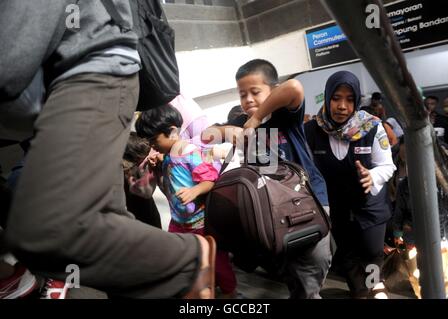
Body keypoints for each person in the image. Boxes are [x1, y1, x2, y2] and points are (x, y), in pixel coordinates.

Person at [1, 0, 215, 299]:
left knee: (45, 229)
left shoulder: (186, 142)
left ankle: (187, 262)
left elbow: (10, 60)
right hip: (72, 89)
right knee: (103, 227)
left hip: (90, 73)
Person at [203, 59, 332, 299]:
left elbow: (294, 87)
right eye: (243, 94)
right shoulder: (242, 124)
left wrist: (258, 117)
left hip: (309, 202)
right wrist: (229, 132)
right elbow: (206, 134)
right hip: (274, 210)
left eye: (255, 92)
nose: (248, 99)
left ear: (273, 89)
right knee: (294, 271)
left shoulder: (286, 116)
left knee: (313, 263)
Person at [304, 71, 396, 299]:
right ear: (327, 98)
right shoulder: (311, 131)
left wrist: (371, 177)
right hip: (337, 206)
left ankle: (374, 285)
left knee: (372, 251)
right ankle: (359, 291)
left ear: (356, 101)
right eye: (336, 98)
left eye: (349, 99)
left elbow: (387, 166)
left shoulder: (372, 128)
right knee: (346, 251)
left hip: (370, 205)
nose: (342, 106)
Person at [135, 105, 238, 298]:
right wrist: (157, 165)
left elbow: (209, 180)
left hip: (200, 223)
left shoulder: (190, 152)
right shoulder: (168, 155)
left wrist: (194, 190)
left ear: (172, 131)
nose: (152, 146)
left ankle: (230, 292)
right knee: (178, 258)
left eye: (154, 140)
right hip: (179, 222)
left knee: (216, 262)